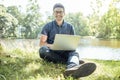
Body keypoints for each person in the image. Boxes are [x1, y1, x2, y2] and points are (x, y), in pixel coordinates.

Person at [39, 3, 96, 79]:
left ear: (64, 13)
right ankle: (73, 62)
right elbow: (42, 44)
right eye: (56, 12)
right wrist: (51, 46)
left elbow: (72, 44)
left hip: (65, 52)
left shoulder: (70, 27)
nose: (58, 14)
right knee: (42, 50)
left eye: (61, 12)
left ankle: (71, 69)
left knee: (74, 53)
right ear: (53, 13)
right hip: (52, 52)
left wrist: (71, 47)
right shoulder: (47, 26)